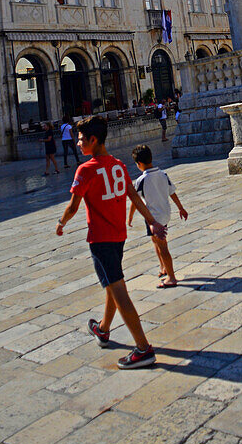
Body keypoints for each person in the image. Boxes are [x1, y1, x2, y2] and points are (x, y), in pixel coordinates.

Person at [55, 116, 166, 369]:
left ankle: (143, 348)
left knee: (118, 290)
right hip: (118, 237)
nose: (78, 143)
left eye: (81, 139)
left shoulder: (86, 170)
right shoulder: (118, 165)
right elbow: (135, 198)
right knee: (111, 283)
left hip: (101, 239)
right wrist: (152, 222)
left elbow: (73, 206)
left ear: (93, 140)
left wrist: (61, 223)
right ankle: (103, 330)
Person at [130, 144, 187, 288]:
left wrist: (129, 217)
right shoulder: (163, 174)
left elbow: (135, 201)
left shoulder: (141, 180)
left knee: (162, 245)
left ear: (139, 164)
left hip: (153, 217)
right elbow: (172, 192)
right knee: (155, 241)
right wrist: (180, 208)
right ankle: (163, 267)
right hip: (164, 213)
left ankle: (171, 277)